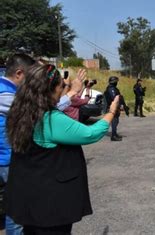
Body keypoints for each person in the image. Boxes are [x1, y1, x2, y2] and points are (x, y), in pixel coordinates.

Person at [4, 64, 120, 234]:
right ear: (49, 90)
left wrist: (73, 90)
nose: (63, 91)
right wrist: (111, 112)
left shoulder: (20, 112)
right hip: (50, 206)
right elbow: (90, 134)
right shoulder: (51, 119)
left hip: (28, 199)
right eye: (61, 86)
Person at [0, 54, 36, 235]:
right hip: (6, 158)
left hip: (6, 155)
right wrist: (68, 95)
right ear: (19, 74)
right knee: (17, 209)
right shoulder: (4, 93)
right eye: (30, 78)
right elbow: (34, 113)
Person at [104, 76, 129, 141]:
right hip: (113, 107)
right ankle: (113, 136)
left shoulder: (113, 88)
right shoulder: (111, 89)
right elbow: (114, 98)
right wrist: (120, 105)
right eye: (116, 81)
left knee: (116, 121)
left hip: (115, 107)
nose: (117, 83)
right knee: (114, 121)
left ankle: (115, 133)